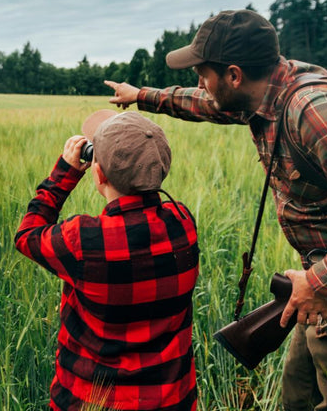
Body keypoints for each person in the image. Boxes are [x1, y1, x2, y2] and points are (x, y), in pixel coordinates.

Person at [105, 9, 327, 411]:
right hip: (317, 286)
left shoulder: (312, 112)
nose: (199, 82)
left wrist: (319, 281)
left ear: (233, 75)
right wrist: (141, 96)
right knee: (297, 396)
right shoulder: (262, 94)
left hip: (322, 283)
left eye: (203, 73)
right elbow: (204, 104)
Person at [14, 109, 199, 410]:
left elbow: (27, 234)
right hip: (171, 401)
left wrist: (64, 173)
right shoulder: (183, 222)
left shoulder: (82, 241)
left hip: (88, 401)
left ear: (98, 173)